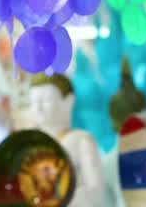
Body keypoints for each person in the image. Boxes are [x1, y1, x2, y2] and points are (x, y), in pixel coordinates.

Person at [21, 74, 106, 207]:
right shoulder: (30, 147)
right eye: (33, 102)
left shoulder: (81, 140)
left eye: (45, 101)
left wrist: (59, 200)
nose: (38, 108)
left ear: (68, 101)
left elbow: (96, 191)